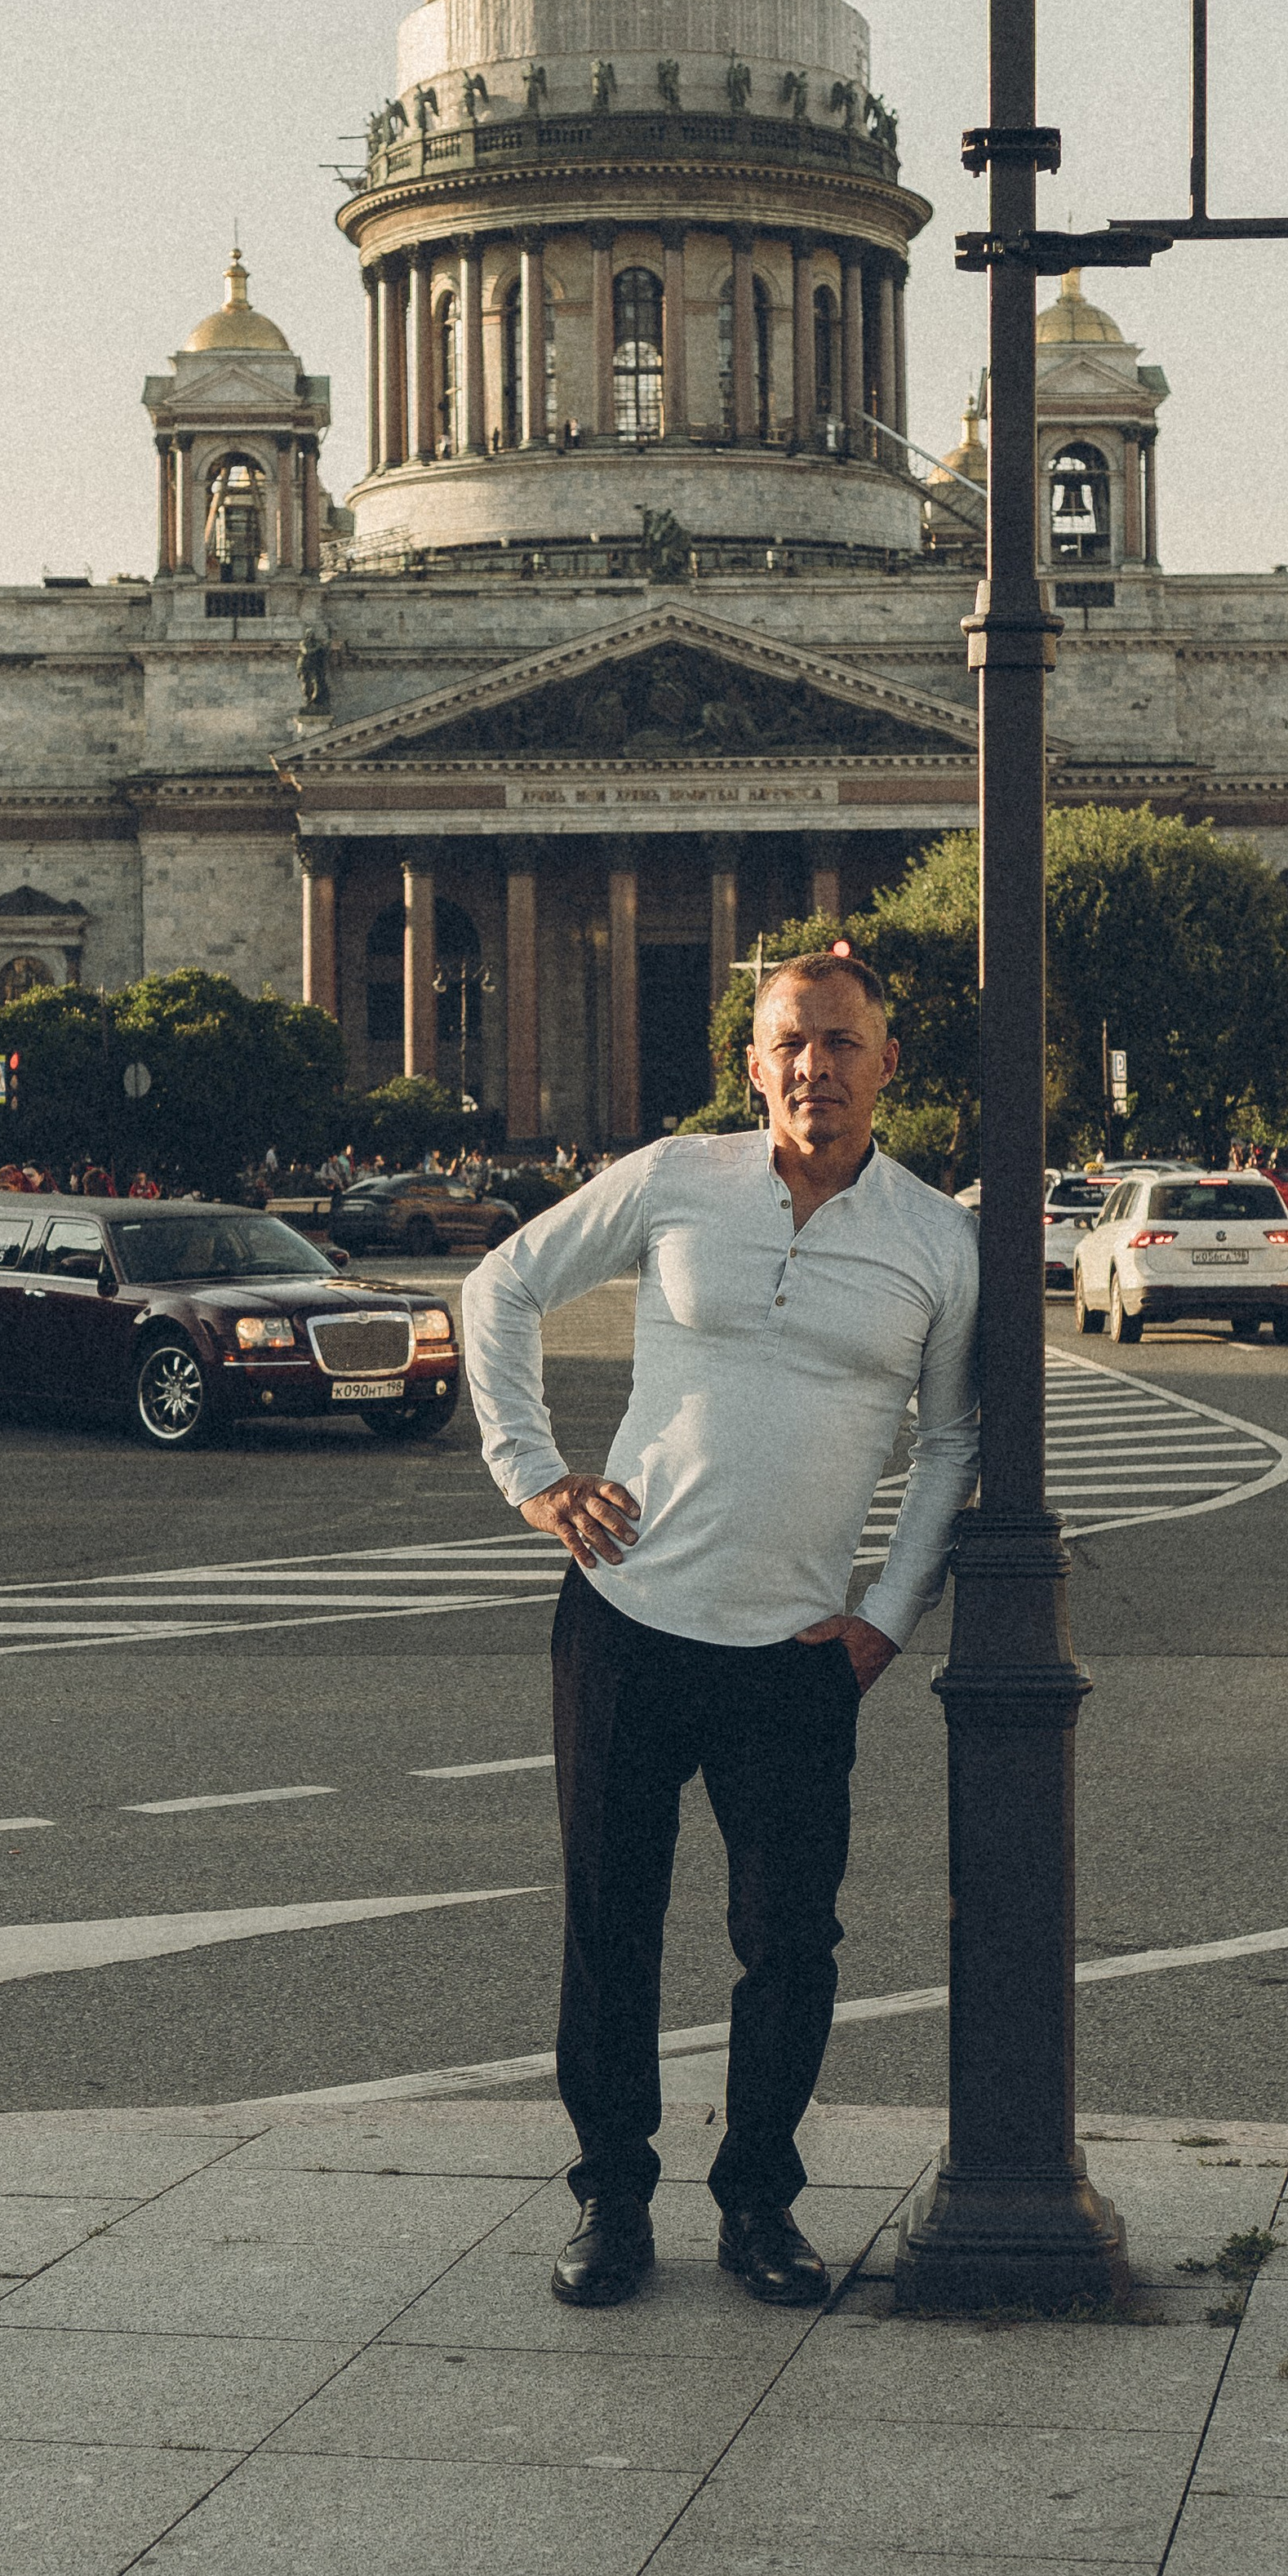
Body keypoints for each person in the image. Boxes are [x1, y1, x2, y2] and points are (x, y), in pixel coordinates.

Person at [462, 951, 979, 2314]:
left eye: (842, 1042)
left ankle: (759, 2203)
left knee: (791, 1945)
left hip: (797, 1655)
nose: (816, 1067)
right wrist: (533, 1475)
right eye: (789, 1043)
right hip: (625, 1619)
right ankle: (611, 2202)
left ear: (888, 1063)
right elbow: (501, 1286)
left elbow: (951, 1447)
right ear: (753, 1064)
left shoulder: (940, 1241)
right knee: (610, 1925)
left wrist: (884, 1620)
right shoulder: (675, 1178)